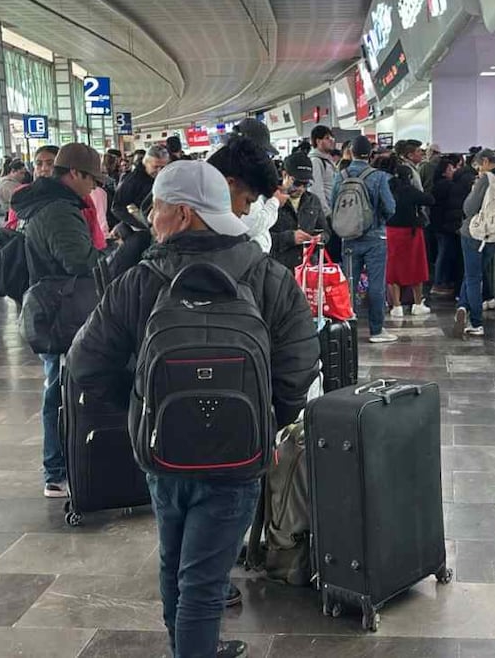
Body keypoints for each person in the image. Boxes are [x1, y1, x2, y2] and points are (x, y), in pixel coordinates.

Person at [67, 159, 319, 658]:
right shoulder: (268, 276)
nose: (151, 217)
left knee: (175, 560)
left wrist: (142, 409)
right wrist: (265, 423)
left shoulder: (140, 282)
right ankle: (194, 646)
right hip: (238, 458)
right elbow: (298, 368)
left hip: (164, 454)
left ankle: (185, 644)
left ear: (184, 214)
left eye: (157, 207)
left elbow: (84, 363)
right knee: (205, 579)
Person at [11, 142, 105, 498]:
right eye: (92, 180)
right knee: (59, 391)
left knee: (58, 387)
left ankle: (61, 466)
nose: (94, 187)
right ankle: (57, 470)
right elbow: (79, 263)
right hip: (61, 312)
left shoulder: (48, 204)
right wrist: (112, 253)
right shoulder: (59, 210)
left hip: (51, 308)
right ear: (76, 174)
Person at [330, 135, 397, 343]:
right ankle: (376, 331)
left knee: (349, 283)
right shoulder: (378, 177)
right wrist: (379, 220)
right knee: (376, 284)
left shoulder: (340, 176)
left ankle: (346, 327)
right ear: (370, 154)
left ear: (350, 152)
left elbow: (333, 204)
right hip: (375, 237)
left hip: (348, 237)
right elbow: (390, 207)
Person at [453, 149, 495, 337]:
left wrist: (475, 188)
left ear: (484, 161)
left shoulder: (486, 179)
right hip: (494, 236)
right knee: (475, 273)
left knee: (473, 277)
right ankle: (462, 307)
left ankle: (475, 322)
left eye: (477, 166)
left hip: (474, 234)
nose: (477, 170)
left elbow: (469, 208)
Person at [212, 119, 281, 254]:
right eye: (248, 201)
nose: (246, 211)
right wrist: (274, 202)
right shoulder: (241, 178)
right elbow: (252, 225)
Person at [383, 157, 435, 318]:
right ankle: (418, 304)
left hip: (391, 232)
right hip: (412, 233)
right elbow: (430, 200)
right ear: (410, 177)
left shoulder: (387, 189)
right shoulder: (410, 190)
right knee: (416, 267)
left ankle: (396, 306)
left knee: (393, 269)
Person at [269, 153, 328, 270]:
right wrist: (289, 238)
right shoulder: (271, 201)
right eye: (297, 183)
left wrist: (320, 238)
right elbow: (259, 237)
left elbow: (326, 231)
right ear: (284, 174)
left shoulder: (313, 201)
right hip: (278, 270)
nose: (301, 188)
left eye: (306, 184)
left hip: (308, 268)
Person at [113, 145, 170, 228]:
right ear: (145, 162)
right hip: (140, 229)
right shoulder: (132, 180)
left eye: (163, 167)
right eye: (155, 167)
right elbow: (117, 207)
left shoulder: (167, 177)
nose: (159, 171)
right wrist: (141, 225)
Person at [429, 155, 461, 296]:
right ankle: (439, 282)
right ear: (443, 171)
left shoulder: (436, 185)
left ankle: (440, 281)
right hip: (444, 225)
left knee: (443, 252)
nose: (453, 170)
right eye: (450, 169)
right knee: (444, 253)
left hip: (438, 224)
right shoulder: (447, 186)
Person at [308, 125, 336, 212]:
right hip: (325, 213)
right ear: (318, 141)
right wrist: (326, 212)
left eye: (332, 137)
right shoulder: (316, 161)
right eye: (327, 138)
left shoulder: (327, 160)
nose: (332, 140)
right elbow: (316, 190)